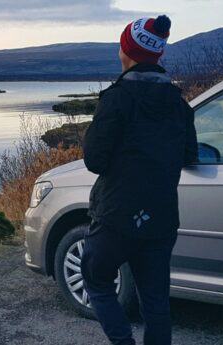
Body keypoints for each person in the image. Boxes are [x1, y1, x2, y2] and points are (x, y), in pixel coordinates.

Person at [81, 15, 198, 345]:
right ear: (158, 55)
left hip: (116, 215)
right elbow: (191, 155)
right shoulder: (179, 104)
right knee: (156, 303)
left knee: (97, 279)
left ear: (125, 51)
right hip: (161, 218)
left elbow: (94, 160)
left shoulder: (117, 99)